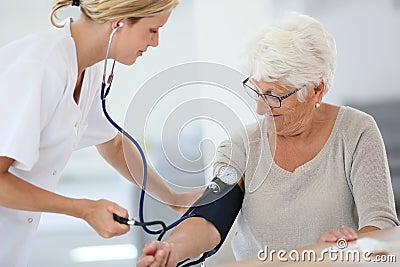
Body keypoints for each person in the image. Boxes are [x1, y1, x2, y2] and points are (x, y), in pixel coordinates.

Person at [136, 12, 400, 266]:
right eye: (257, 91)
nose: (261, 109)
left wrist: (348, 247)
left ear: (316, 89)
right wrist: (173, 249)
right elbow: (210, 216)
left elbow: (381, 222)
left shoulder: (356, 131)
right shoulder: (242, 146)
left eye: (273, 96)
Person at [0, 0, 201, 266]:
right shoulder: (39, 66)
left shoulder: (87, 68)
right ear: (118, 22)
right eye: (153, 30)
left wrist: (172, 198)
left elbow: (113, 145)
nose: (155, 43)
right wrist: (85, 209)